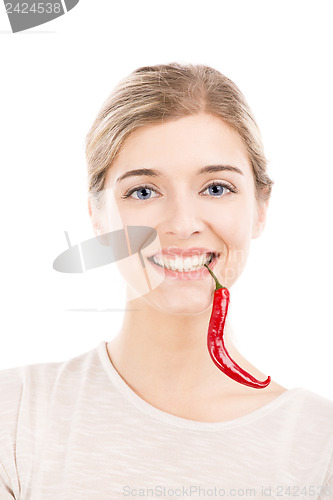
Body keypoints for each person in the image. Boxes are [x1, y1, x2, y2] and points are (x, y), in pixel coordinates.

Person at [1, 62, 332, 499]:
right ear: (98, 217)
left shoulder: (319, 446)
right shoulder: (17, 414)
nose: (182, 223)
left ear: (260, 208)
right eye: (143, 192)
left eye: (216, 188)